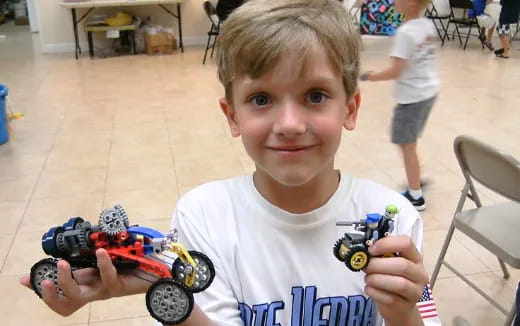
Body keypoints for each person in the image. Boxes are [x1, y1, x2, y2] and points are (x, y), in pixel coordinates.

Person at [20, 0, 442, 325]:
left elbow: (425, 314)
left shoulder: (397, 220)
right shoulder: (204, 216)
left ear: (350, 109)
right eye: (261, 99)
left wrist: (404, 313)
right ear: (232, 115)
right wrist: (176, 303)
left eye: (315, 95)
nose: (290, 124)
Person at [360, 0, 439, 211]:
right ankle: (416, 179)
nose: (393, 1)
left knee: (406, 144)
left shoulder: (405, 33)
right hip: (428, 92)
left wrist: (370, 76)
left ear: (412, 3)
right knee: (408, 143)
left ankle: (416, 195)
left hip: (412, 98)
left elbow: (396, 71)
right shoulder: (427, 25)